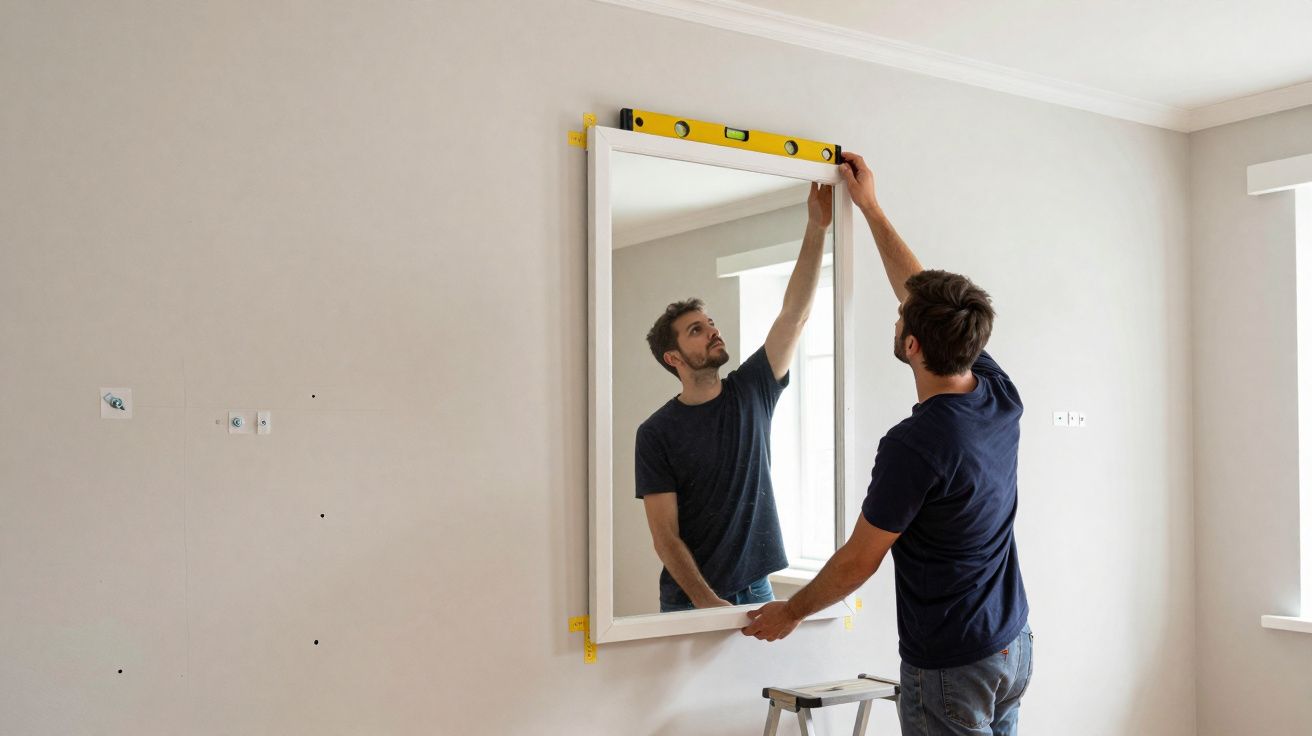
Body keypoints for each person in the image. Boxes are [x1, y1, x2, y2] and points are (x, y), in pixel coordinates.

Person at [743, 152, 1033, 735]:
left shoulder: (915, 444)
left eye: (902, 318)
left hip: (952, 665)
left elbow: (860, 559)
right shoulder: (998, 393)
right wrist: (871, 209)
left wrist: (791, 611)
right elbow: (927, 301)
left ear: (913, 346)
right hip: (1010, 645)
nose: (897, 317)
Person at [635, 183, 833, 613]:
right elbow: (665, 537)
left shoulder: (752, 389)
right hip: (690, 602)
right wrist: (707, 602)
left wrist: (817, 227)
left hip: (758, 589)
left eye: (710, 323)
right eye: (697, 330)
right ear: (673, 358)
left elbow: (794, 315)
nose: (713, 331)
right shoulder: (655, 433)